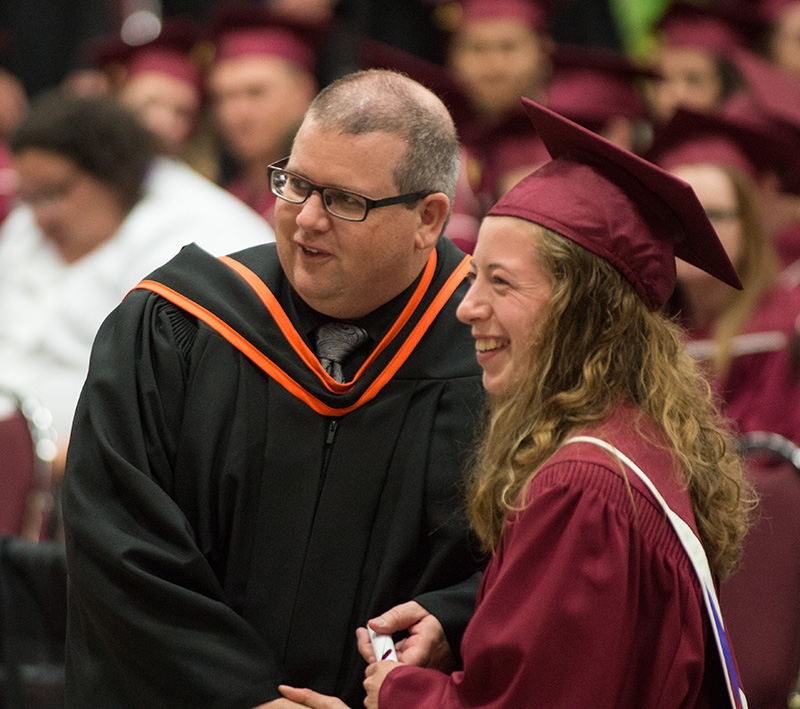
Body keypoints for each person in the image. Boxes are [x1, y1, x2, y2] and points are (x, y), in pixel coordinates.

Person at [281, 98, 754, 708]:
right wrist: (462, 628)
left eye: (500, 282)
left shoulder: (583, 489)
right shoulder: (640, 438)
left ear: (584, 311)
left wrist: (399, 692)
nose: (467, 307)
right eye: (474, 276)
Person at [61, 69, 485, 708]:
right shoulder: (180, 324)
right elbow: (117, 541)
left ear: (428, 218)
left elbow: (532, 558)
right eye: (295, 184)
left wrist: (453, 615)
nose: (307, 220)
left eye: (345, 200)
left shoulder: (492, 356)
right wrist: (246, 699)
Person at [0, 91, 274, 477]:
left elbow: (166, 413)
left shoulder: (198, 236)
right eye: (30, 198)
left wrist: (58, 461)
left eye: (56, 194)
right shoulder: (29, 227)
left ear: (114, 174)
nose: (40, 217)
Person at [206, 2, 321, 226]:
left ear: (302, 93)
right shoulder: (221, 201)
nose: (237, 112)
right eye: (224, 97)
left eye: (255, 92)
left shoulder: (321, 203)